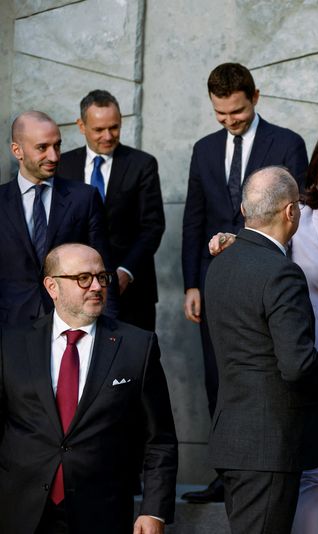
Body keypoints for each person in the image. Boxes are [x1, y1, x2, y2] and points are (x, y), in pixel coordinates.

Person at [210, 127, 318, 532]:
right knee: (317, 466)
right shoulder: (297, 216)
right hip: (308, 354)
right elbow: (260, 250)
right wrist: (227, 241)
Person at [181, 62, 309, 503]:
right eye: (221, 114)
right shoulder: (203, 148)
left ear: (255, 96)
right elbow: (193, 216)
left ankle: (266, 466)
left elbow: (297, 213)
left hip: (264, 275)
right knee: (218, 375)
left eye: (236, 111)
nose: (230, 121)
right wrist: (191, 283)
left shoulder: (287, 143)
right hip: (215, 281)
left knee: (266, 374)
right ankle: (224, 475)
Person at [0, 243, 178, 534]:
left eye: (102, 277)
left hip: (102, 510)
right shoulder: (11, 344)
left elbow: (159, 439)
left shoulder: (136, 346)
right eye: (83, 278)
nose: (96, 286)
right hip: (20, 509)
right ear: (52, 286)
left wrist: (154, 510)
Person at [204, 167, 318, 534]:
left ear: (246, 211)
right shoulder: (281, 272)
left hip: (233, 438)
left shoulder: (220, 264)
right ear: (290, 212)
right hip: (268, 443)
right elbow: (296, 366)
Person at [57, 89, 166, 332]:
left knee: (134, 364)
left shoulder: (142, 164)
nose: (108, 135)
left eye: (114, 127)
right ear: (81, 125)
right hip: (76, 290)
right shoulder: (63, 166)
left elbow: (152, 226)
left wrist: (126, 271)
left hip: (132, 290)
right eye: (98, 129)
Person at [1, 111, 109, 327]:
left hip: (71, 325)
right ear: (17, 150)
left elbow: (103, 268)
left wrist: (110, 328)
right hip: (9, 328)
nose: (54, 156)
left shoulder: (85, 198)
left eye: (57, 146)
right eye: (42, 148)